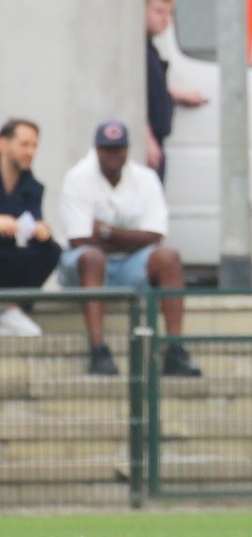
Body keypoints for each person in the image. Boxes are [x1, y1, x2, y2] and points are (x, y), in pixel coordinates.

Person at [57, 120, 201, 377]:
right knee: (92, 258)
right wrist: (132, 238)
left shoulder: (145, 178)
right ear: (96, 150)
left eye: (118, 149)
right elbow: (79, 240)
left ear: (127, 150)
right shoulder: (78, 177)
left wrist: (105, 231)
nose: (112, 155)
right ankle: (99, 351)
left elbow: (155, 236)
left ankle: (175, 350)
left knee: (169, 258)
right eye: (106, 149)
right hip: (85, 268)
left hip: (129, 263)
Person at [0, 118, 62, 336]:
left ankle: (13, 312)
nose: (30, 152)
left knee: (51, 249)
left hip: (9, 258)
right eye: (24, 144)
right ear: (4, 144)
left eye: (34, 146)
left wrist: (41, 230)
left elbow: (32, 224)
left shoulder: (33, 187)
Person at [146, 0, 207, 182]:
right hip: (150, 143)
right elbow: (131, 97)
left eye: (169, 14)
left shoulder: (151, 50)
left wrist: (178, 95)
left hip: (157, 141)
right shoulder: (137, 52)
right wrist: (147, 139)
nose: (165, 20)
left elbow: (153, 91)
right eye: (158, 12)